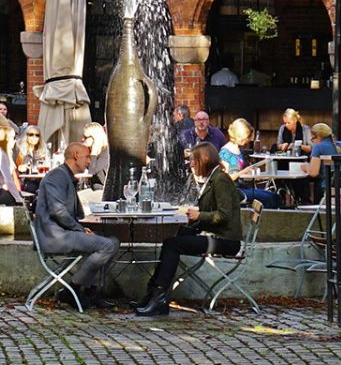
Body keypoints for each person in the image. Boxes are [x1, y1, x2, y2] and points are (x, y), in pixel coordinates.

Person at [135, 143, 254, 316]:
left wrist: (200, 216)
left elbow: (224, 215)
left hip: (225, 241)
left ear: (204, 160)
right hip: (217, 235)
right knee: (171, 240)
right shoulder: (214, 178)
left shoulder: (220, 180)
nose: (191, 164)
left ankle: (158, 297)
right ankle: (153, 294)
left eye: (194, 161)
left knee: (172, 244)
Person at [33, 141, 122, 310]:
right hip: (55, 236)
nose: (89, 162)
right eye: (87, 157)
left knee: (113, 241)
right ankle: (72, 289)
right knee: (107, 245)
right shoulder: (57, 176)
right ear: (75, 156)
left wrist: (82, 226)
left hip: (64, 232)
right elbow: (57, 210)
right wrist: (79, 229)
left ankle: (91, 292)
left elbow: (67, 212)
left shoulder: (65, 176)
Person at [81, 123, 110, 190]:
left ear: (94, 138)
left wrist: (93, 153)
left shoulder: (105, 152)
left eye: (85, 137)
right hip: (92, 189)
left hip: (102, 191)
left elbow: (92, 172)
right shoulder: (90, 152)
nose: (83, 139)